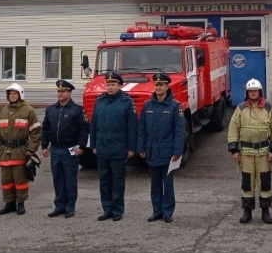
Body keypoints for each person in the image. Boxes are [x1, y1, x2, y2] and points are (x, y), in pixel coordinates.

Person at [227, 78, 272, 224]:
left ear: (260, 92)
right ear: (247, 93)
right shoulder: (240, 108)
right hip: (246, 153)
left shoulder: (270, 108)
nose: (253, 93)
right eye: (250, 91)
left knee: (265, 183)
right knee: (247, 183)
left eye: (255, 91)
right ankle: (247, 211)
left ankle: (265, 211)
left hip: (264, 153)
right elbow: (233, 129)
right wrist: (234, 150)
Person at [138, 73, 187, 223]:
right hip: (152, 152)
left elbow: (180, 131)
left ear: (167, 86)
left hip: (168, 153)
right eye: (157, 85)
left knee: (168, 184)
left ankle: (167, 212)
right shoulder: (148, 106)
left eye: (161, 85)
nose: (158, 87)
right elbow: (141, 129)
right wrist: (141, 148)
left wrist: (178, 151)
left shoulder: (175, 106)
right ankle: (156, 211)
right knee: (155, 184)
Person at [90, 71, 137, 221]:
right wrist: (93, 144)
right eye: (108, 84)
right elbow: (94, 124)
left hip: (118, 147)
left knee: (117, 180)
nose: (110, 87)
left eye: (113, 84)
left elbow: (132, 127)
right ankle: (107, 209)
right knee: (104, 180)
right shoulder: (100, 101)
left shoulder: (127, 102)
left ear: (120, 85)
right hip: (102, 146)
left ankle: (117, 210)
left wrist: (131, 148)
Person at [0, 83, 41, 216]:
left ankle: (21, 204)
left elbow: (36, 131)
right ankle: (9, 204)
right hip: (4, 152)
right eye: (10, 94)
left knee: (20, 180)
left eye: (14, 93)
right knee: (6, 181)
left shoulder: (28, 111)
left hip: (20, 151)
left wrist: (31, 150)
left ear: (20, 94)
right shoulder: (3, 111)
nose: (12, 96)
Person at [42, 79, 90, 219]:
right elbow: (45, 129)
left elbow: (84, 129)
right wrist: (44, 146)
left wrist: (81, 146)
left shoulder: (77, 110)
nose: (60, 94)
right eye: (58, 91)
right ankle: (59, 206)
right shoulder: (51, 109)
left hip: (70, 149)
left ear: (69, 93)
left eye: (63, 91)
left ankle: (70, 207)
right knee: (57, 179)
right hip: (55, 149)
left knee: (70, 180)